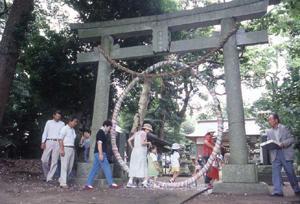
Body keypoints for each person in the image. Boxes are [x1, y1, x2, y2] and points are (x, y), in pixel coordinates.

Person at [267, 113, 300, 196]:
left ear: (276, 120)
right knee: (276, 173)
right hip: (275, 154)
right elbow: (269, 141)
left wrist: (283, 143)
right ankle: (278, 191)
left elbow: (292, 139)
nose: (269, 121)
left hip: (285, 152)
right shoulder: (269, 131)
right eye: (268, 120)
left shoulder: (285, 128)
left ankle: (296, 189)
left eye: (270, 119)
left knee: (290, 172)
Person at [84, 120, 119, 189]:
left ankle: (88, 184)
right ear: (105, 126)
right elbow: (99, 143)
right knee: (106, 167)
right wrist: (101, 154)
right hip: (100, 152)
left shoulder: (102, 132)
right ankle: (111, 183)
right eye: (109, 127)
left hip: (98, 153)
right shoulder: (101, 132)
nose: (109, 129)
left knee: (94, 169)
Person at [40, 110, 65, 182]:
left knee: (54, 161)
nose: (58, 117)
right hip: (49, 141)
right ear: (53, 115)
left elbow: (62, 135)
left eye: (59, 116)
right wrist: (43, 142)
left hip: (57, 142)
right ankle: (47, 174)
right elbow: (45, 132)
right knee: (44, 160)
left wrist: (61, 145)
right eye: (57, 116)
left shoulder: (62, 124)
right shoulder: (49, 122)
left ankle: (49, 178)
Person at [126, 123, 152, 188]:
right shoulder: (144, 133)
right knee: (144, 166)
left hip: (135, 151)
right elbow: (142, 143)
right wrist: (149, 142)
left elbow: (129, 140)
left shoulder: (137, 133)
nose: (148, 131)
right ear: (145, 129)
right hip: (141, 152)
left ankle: (130, 182)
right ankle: (145, 182)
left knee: (134, 166)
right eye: (148, 130)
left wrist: (132, 148)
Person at [58, 116, 79, 188]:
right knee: (64, 166)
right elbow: (60, 139)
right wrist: (61, 149)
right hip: (65, 148)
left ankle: (61, 179)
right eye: (75, 121)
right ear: (70, 121)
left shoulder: (73, 130)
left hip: (71, 148)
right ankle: (63, 183)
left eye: (76, 122)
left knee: (70, 166)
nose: (76, 123)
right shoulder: (64, 128)